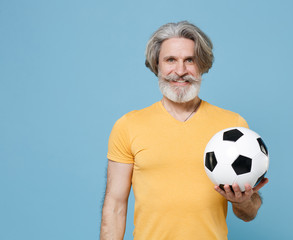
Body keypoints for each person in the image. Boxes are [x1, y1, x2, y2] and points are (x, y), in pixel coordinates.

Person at [100, 21, 269, 240]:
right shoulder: (128, 125)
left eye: (190, 60)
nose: (180, 71)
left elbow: (249, 213)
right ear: (157, 65)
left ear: (202, 65)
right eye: (170, 60)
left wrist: (243, 201)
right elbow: (115, 206)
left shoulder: (232, 125)